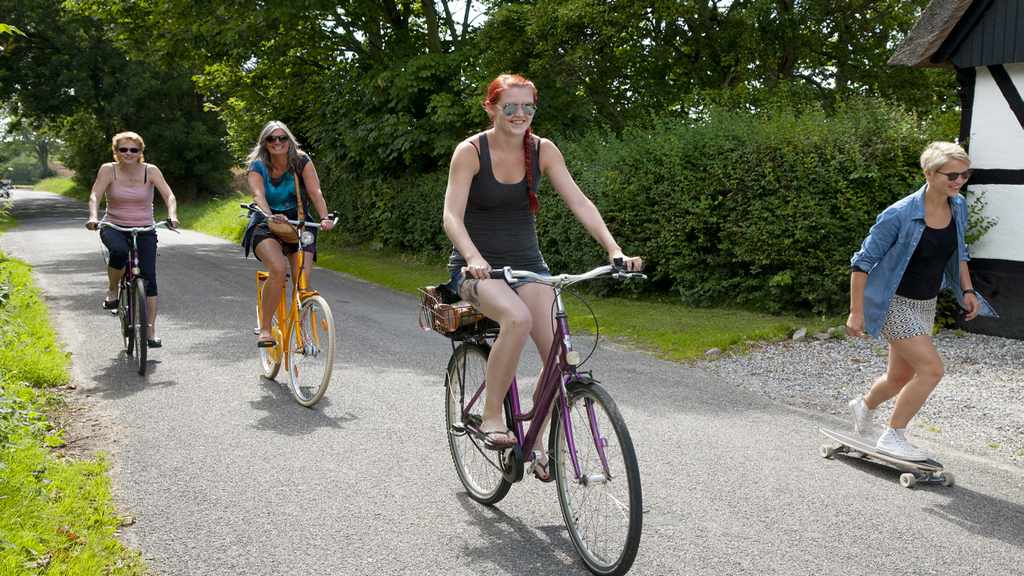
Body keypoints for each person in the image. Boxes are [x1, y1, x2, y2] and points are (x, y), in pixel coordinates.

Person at [443, 74, 642, 482]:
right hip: (476, 270)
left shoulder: (542, 150)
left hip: (528, 267)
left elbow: (580, 202)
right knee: (517, 320)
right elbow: (451, 216)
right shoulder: (470, 152)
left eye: (528, 107)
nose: (520, 115)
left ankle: (533, 446)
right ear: (491, 108)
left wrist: (614, 249)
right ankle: (493, 414)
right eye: (510, 107)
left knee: (559, 359)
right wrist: (473, 256)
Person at [846, 141, 997, 461]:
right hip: (894, 302)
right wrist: (856, 312)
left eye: (965, 174)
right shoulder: (899, 214)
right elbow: (862, 263)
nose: (959, 181)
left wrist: (968, 291)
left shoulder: (958, 206)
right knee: (932, 370)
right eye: (952, 175)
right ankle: (893, 434)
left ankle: (863, 406)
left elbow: (959, 253)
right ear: (929, 174)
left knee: (899, 377)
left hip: (924, 303)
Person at [242, 121, 334, 348]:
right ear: (265, 143)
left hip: (299, 223)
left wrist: (324, 218)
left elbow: (315, 192)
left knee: (303, 282)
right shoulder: (257, 166)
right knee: (278, 268)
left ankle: (300, 330)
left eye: (282, 138)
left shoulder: (301, 161)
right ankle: (265, 330)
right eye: (272, 139)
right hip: (266, 223)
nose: (277, 142)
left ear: (289, 140)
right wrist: (270, 215)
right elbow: (258, 195)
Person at [86, 131, 179, 348]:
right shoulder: (108, 170)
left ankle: (150, 331)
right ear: (116, 152)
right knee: (118, 252)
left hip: (145, 227)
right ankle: (112, 290)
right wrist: (93, 217)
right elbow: (95, 195)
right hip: (114, 226)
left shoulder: (151, 171)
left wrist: (172, 215)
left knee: (148, 276)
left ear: (140, 152)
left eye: (133, 150)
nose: (129, 153)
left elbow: (169, 195)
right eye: (123, 149)